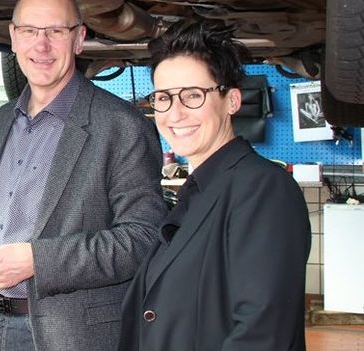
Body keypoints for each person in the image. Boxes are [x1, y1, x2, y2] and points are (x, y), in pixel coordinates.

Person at [0, 0, 167, 351]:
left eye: (56, 32)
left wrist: (39, 260)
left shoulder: (120, 124)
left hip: (67, 334)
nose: (41, 46)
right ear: (13, 37)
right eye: (30, 31)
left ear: (79, 39)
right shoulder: (5, 118)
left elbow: (143, 238)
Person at [118, 21, 310, 350]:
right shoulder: (199, 189)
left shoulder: (264, 190)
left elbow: (261, 331)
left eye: (193, 95)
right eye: (163, 97)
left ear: (232, 101)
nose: (175, 113)